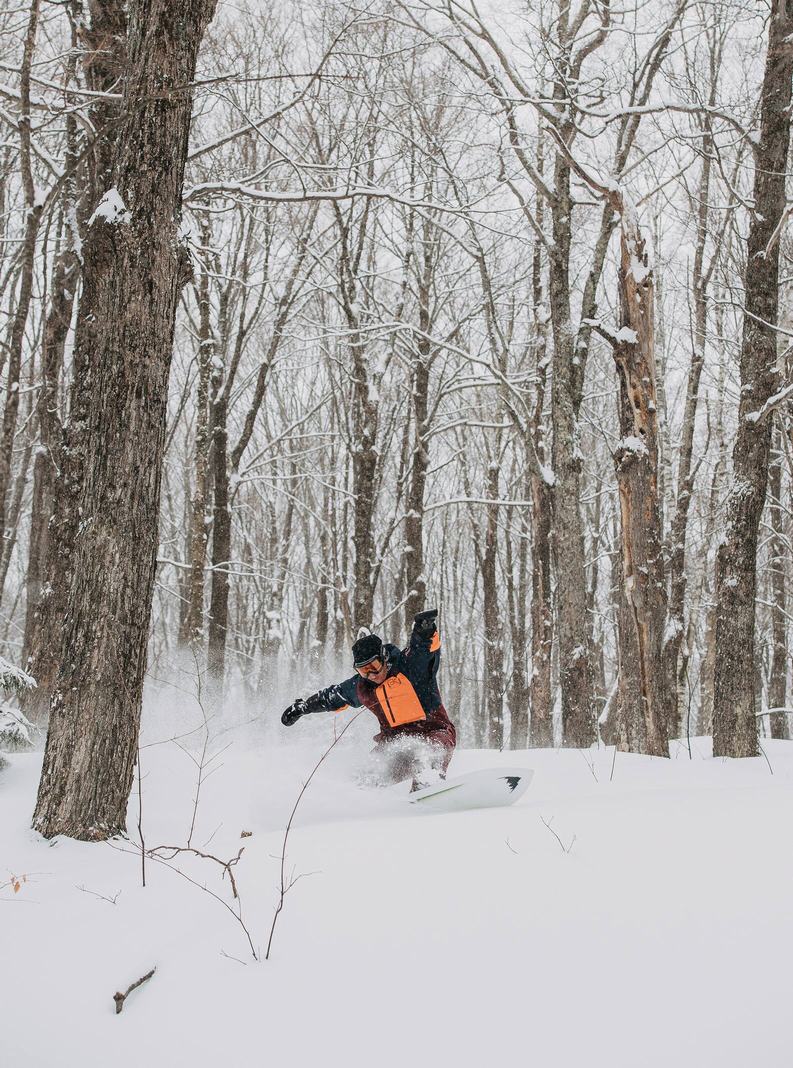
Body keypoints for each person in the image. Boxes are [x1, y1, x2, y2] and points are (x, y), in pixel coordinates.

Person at [281, 609, 456, 790]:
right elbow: (332, 697)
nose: (371, 675)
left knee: (427, 753)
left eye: (374, 666)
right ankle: (365, 803)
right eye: (364, 671)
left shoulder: (409, 667)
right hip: (394, 742)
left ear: (384, 657)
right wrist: (304, 707)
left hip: (434, 730)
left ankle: (427, 788)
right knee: (370, 773)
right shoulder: (363, 687)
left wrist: (424, 629)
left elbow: (423, 649)